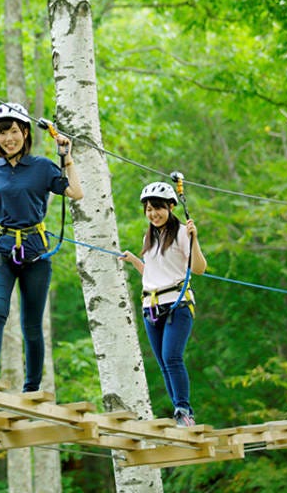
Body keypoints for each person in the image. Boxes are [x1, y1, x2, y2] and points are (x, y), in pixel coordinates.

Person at [0, 103, 83, 392]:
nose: (8, 139)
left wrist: (69, 159)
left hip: (35, 252)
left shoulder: (41, 167)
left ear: (25, 133)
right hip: (1, 249)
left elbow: (76, 193)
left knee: (31, 325)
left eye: (13, 131)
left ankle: (32, 388)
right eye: (2, 134)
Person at [122, 181, 207, 427]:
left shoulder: (182, 232)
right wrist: (134, 260)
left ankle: (184, 410)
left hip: (177, 305)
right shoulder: (149, 237)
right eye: (149, 209)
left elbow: (199, 269)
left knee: (172, 358)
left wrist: (194, 239)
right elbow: (152, 274)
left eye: (158, 208)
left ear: (171, 207)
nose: (153, 214)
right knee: (162, 363)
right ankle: (178, 411)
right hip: (151, 306)